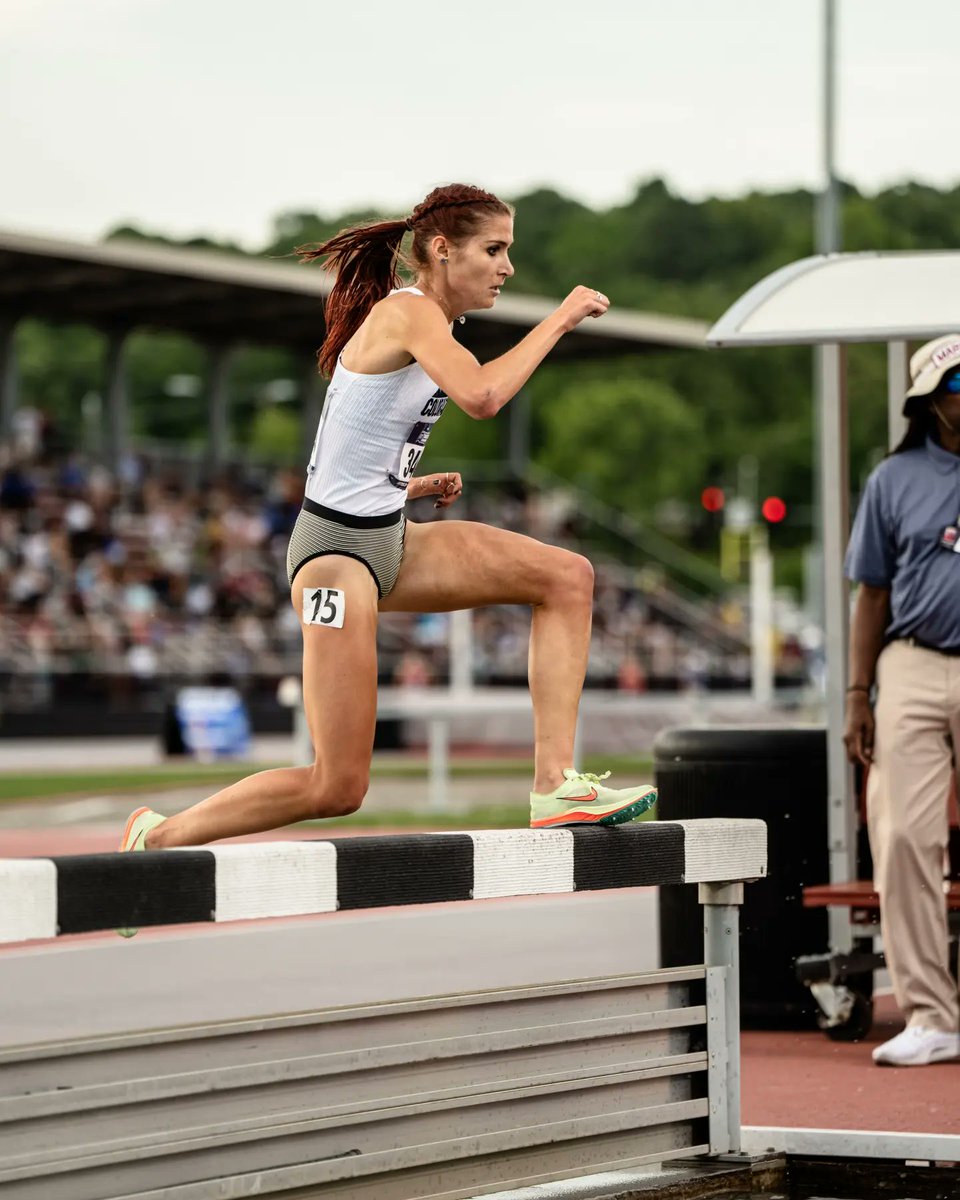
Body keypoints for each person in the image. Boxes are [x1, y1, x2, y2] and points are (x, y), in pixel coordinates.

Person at [118, 183, 657, 886]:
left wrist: (410, 485)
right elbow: (484, 398)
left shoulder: (435, 325)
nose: (507, 268)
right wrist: (559, 319)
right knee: (337, 787)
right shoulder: (408, 312)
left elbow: (346, 447)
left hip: (387, 534)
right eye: (494, 250)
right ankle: (157, 838)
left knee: (567, 577)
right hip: (334, 559)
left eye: (509, 252)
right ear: (441, 250)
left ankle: (555, 784)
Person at [843, 332, 960, 1066]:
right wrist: (858, 692)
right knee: (904, 838)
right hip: (913, 666)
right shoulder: (894, 479)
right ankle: (931, 1015)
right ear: (930, 402)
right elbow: (872, 595)